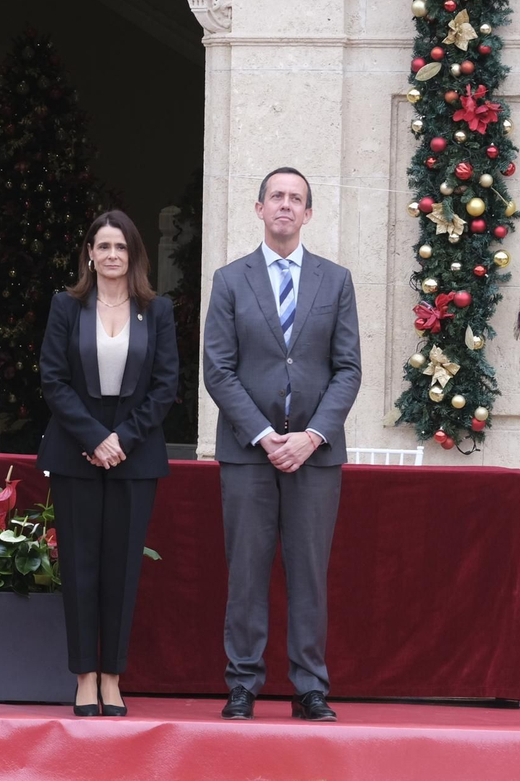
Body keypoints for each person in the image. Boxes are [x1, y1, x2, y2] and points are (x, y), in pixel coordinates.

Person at [202, 167, 360, 723]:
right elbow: (218, 371)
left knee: (309, 573)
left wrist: (312, 435)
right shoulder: (229, 279)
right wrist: (269, 437)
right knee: (245, 572)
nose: (286, 206)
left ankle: (310, 688)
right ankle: (242, 684)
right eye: (277, 197)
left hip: (316, 456)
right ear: (259, 208)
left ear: (309, 213)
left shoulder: (335, 280)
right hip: (248, 453)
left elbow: (348, 370)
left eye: (296, 199)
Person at [37, 210, 179, 717]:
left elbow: (166, 386)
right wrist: (96, 437)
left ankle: (113, 677)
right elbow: (53, 379)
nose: (112, 255)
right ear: (90, 255)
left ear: (133, 254)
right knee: (79, 567)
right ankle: (84, 677)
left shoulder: (156, 310)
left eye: (121, 247)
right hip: (77, 449)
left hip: (134, 453)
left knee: (121, 571)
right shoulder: (66, 306)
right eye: (103, 247)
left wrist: (121, 438)